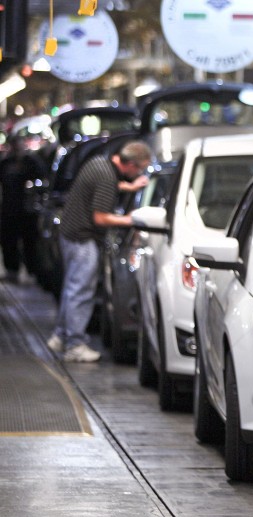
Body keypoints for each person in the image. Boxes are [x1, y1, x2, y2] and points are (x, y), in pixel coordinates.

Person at [47, 140, 152, 363]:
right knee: (81, 291)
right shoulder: (106, 176)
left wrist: (129, 188)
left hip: (70, 234)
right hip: (82, 238)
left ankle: (61, 335)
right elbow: (100, 217)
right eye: (139, 169)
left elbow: (106, 186)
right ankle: (75, 344)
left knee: (71, 288)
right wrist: (131, 219)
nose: (138, 173)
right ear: (131, 164)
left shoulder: (100, 164)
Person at [0, 135, 45, 283]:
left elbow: (42, 180)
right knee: (9, 242)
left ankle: (32, 270)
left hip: (27, 209)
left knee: (29, 242)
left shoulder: (31, 162)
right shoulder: (6, 163)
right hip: (9, 209)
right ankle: (12, 269)